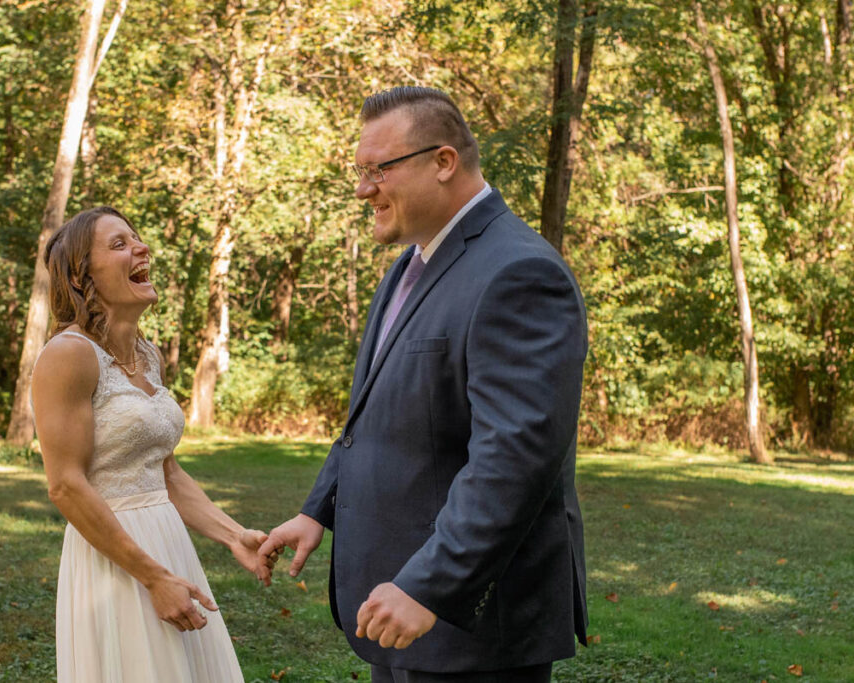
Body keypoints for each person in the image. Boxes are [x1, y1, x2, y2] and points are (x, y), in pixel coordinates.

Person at [259, 87, 589, 682]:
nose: (363, 189)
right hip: (399, 611)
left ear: (443, 162)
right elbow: (376, 414)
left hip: (466, 629)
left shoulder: (519, 273)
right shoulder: (410, 265)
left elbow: (514, 459)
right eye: (360, 172)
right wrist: (319, 510)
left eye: (378, 170)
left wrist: (430, 586)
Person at [31, 206, 277, 682]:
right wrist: (152, 577)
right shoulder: (68, 356)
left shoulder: (147, 354)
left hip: (167, 542)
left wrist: (232, 535)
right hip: (114, 557)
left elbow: (166, 472)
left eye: (137, 238)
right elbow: (65, 486)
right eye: (119, 245)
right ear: (83, 278)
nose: (141, 248)